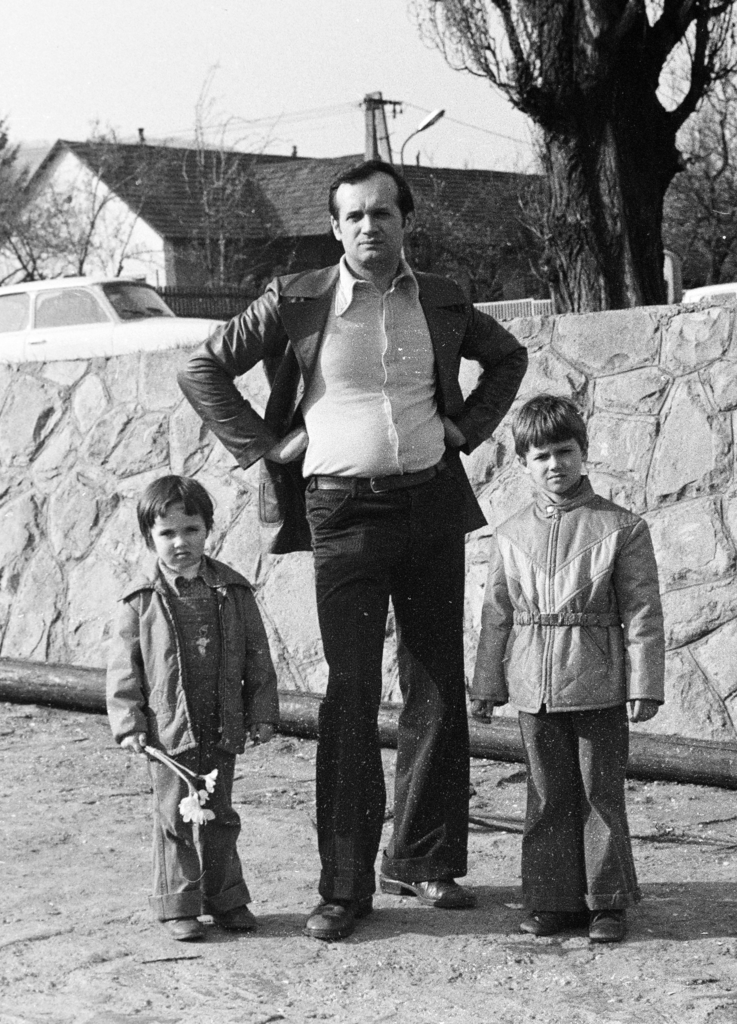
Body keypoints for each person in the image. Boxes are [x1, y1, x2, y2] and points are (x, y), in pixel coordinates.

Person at [179, 159, 528, 941]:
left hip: (431, 502)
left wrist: (466, 428)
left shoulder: (438, 297)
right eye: (355, 217)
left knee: (437, 681)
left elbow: (508, 359)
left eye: (384, 214)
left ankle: (422, 861)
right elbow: (201, 366)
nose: (371, 227)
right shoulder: (299, 298)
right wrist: (267, 447)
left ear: (406, 223)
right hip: (342, 512)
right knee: (351, 693)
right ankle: (343, 883)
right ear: (336, 229)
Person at [469, 395, 665, 945]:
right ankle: (551, 900)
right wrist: (487, 686)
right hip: (534, 687)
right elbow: (496, 616)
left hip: (597, 681)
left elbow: (644, 612)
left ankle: (606, 903)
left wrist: (644, 684)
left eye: (564, 451)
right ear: (523, 464)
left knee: (600, 793)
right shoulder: (510, 534)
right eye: (540, 456)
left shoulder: (622, 528)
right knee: (546, 793)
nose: (555, 465)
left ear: (583, 452)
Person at [106, 475, 280, 942]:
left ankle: (226, 898)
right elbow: (124, 668)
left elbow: (257, 655)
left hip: (220, 722)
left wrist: (262, 711)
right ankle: (177, 904)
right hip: (168, 731)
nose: (180, 542)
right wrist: (129, 723)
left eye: (191, 530)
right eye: (166, 533)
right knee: (175, 816)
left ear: (208, 530)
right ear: (149, 539)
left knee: (219, 814)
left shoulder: (233, 591)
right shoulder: (141, 602)